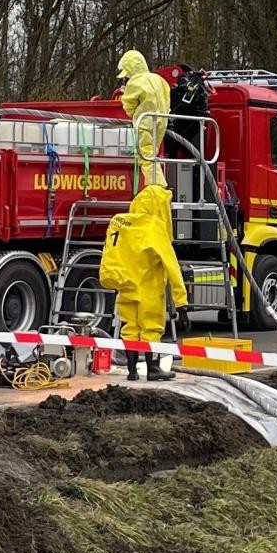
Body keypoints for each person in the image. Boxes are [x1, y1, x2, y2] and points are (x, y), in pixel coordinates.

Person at [99, 181, 187, 381]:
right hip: (148, 289)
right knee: (151, 330)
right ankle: (153, 369)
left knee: (129, 328)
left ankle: (132, 371)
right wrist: (181, 303)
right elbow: (171, 265)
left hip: (125, 286)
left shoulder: (119, 221)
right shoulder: (153, 227)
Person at [117, 50, 171, 190]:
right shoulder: (159, 79)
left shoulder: (135, 82)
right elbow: (167, 97)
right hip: (162, 122)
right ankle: (157, 185)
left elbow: (129, 103)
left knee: (145, 155)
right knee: (153, 153)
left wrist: (133, 114)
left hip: (144, 123)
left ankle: (156, 186)